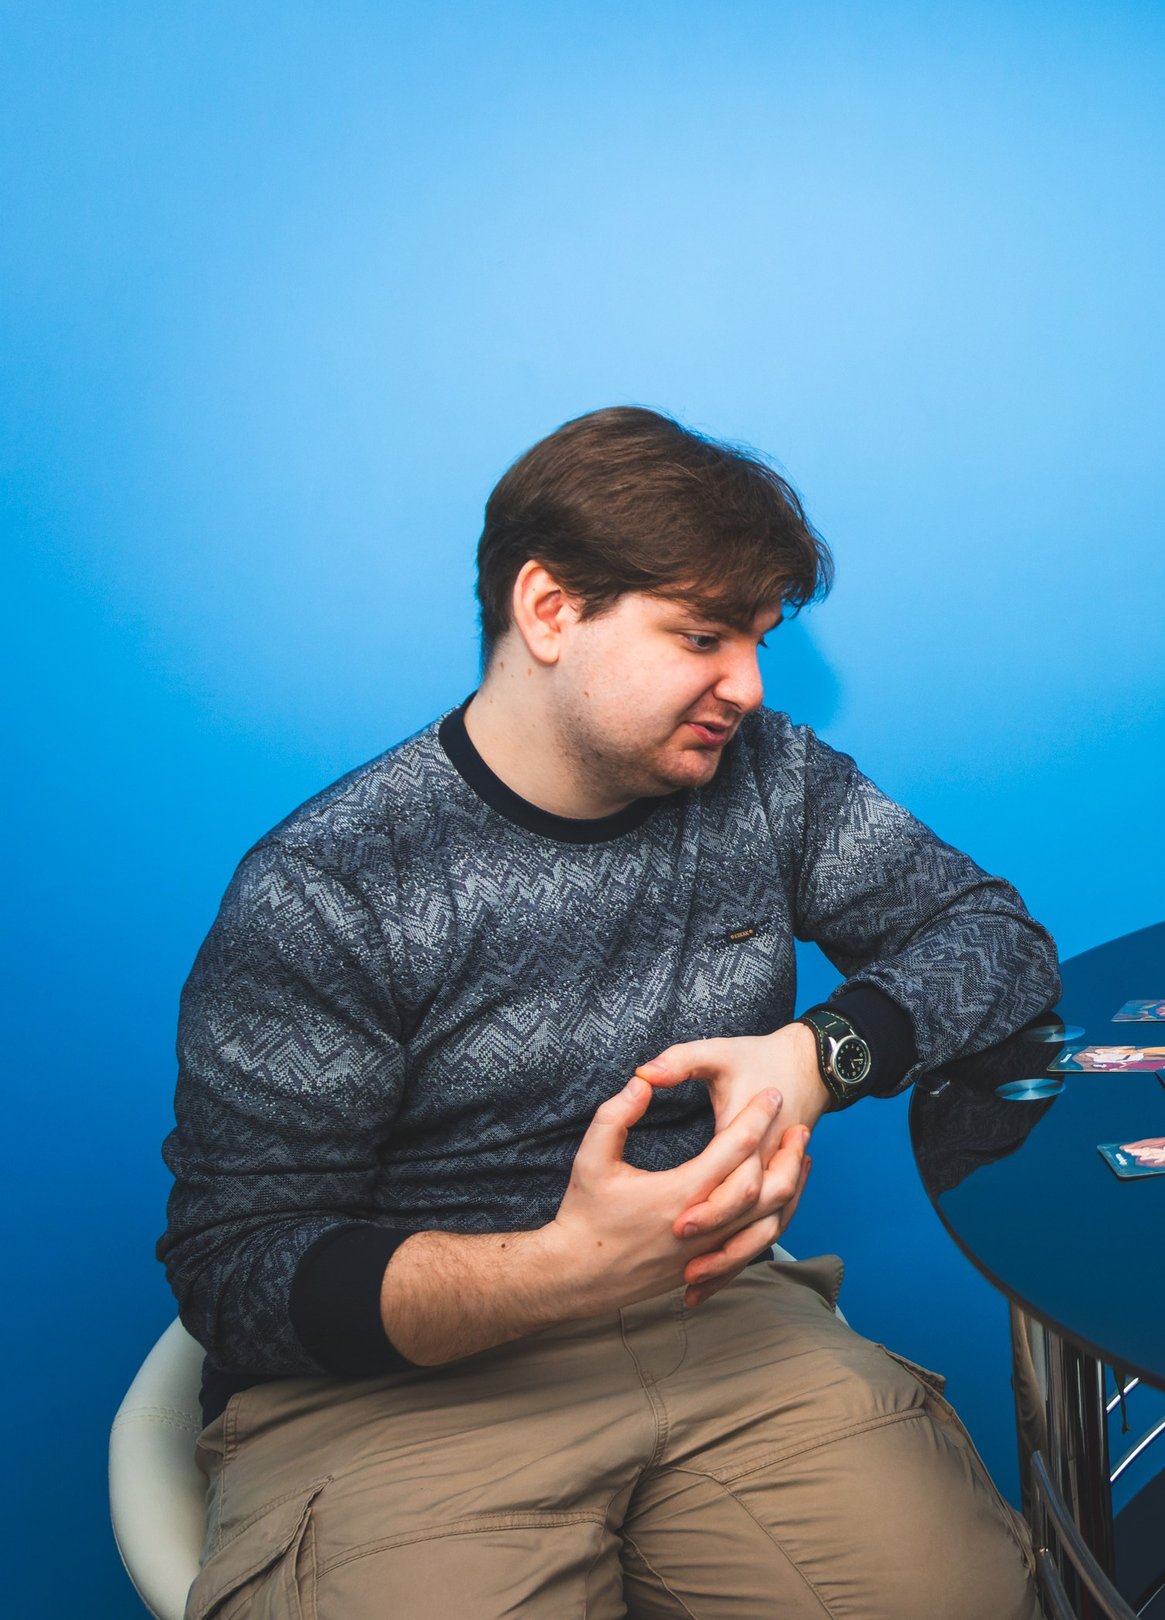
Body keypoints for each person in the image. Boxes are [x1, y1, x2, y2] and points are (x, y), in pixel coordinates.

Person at [160, 407, 1059, 1619]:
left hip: (708, 1319)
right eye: (702, 635)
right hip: (393, 1401)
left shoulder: (769, 779)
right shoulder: (333, 886)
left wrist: (817, 1056)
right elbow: (236, 1268)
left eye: (757, 639)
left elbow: (996, 940)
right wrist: (561, 1269)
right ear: (548, 611)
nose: (747, 685)